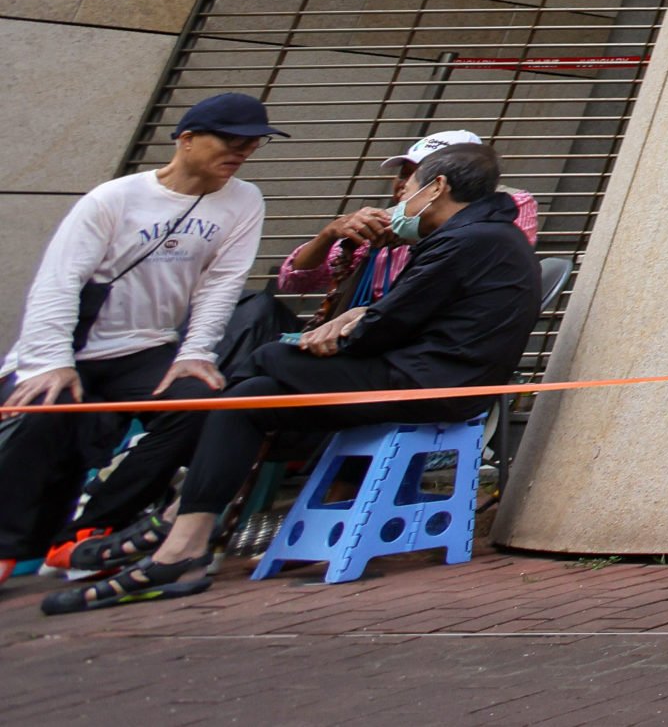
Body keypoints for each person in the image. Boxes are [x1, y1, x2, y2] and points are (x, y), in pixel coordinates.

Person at [44, 142, 537, 612]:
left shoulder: (467, 240)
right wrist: (359, 315)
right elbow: (397, 313)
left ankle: (174, 522)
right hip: (419, 373)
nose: (401, 198)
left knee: (264, 361)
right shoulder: (483, 236)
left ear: (437, 188)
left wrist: (346, 326)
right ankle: (185, 542)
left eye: (409, 188)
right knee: (251, 395)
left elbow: (386, 326)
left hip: (426, 383)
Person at [0, 93, 277, 575]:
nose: (241, 152)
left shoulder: (244, 200)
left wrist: (195, 352)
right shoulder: (115, 198)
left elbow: (222, 283)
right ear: (186, 140)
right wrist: (49, 360)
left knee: (198, 406)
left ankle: (92, 531)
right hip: (72, 347)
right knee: (44, 411)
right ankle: (6, 546)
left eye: (252, 144)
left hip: (146, 345)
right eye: (230, 140)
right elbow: (60, 279)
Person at [272, 131, 542, 325]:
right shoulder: (385, 218)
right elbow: (293, 281)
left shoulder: (506, 207)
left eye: (415, 174)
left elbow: (484, 261)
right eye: (403, 172)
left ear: (440, 184)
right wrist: (331, 233)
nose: (402, 183)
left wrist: (418, 233)